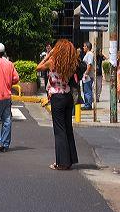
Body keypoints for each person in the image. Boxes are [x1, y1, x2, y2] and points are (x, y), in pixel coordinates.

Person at [36, 39, 79, 170]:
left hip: (57, 97)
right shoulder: (71, 64)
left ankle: (62, 163)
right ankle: (70, 159)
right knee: (67, 129)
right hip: (67, 96)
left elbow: (38, 67)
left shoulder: (52, 62)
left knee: (59, 130)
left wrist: (49, 54)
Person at [82, 42, 94, 110]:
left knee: (87, 90)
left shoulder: (89, 54)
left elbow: (89, 65)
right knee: (85, 90)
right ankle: (87, 104)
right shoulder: (88, 54)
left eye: (84, 46)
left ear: (87, 47)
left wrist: (86, 73)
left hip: (88, 76)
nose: (83, 47)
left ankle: (88, 105)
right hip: (86, 76)